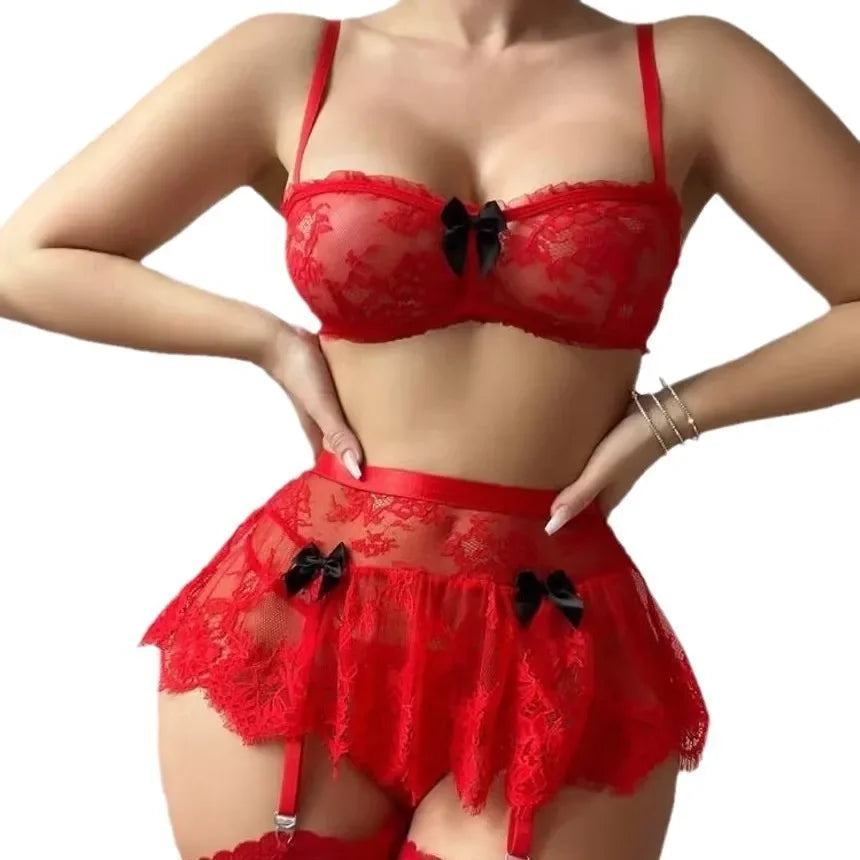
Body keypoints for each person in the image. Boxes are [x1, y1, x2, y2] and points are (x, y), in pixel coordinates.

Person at [1, 2, 857, 858]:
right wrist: (267, 342)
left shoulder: (691, 71)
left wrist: (670, 418)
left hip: (551, 640)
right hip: (307, 611)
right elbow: (28, 259)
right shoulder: (293, 59)